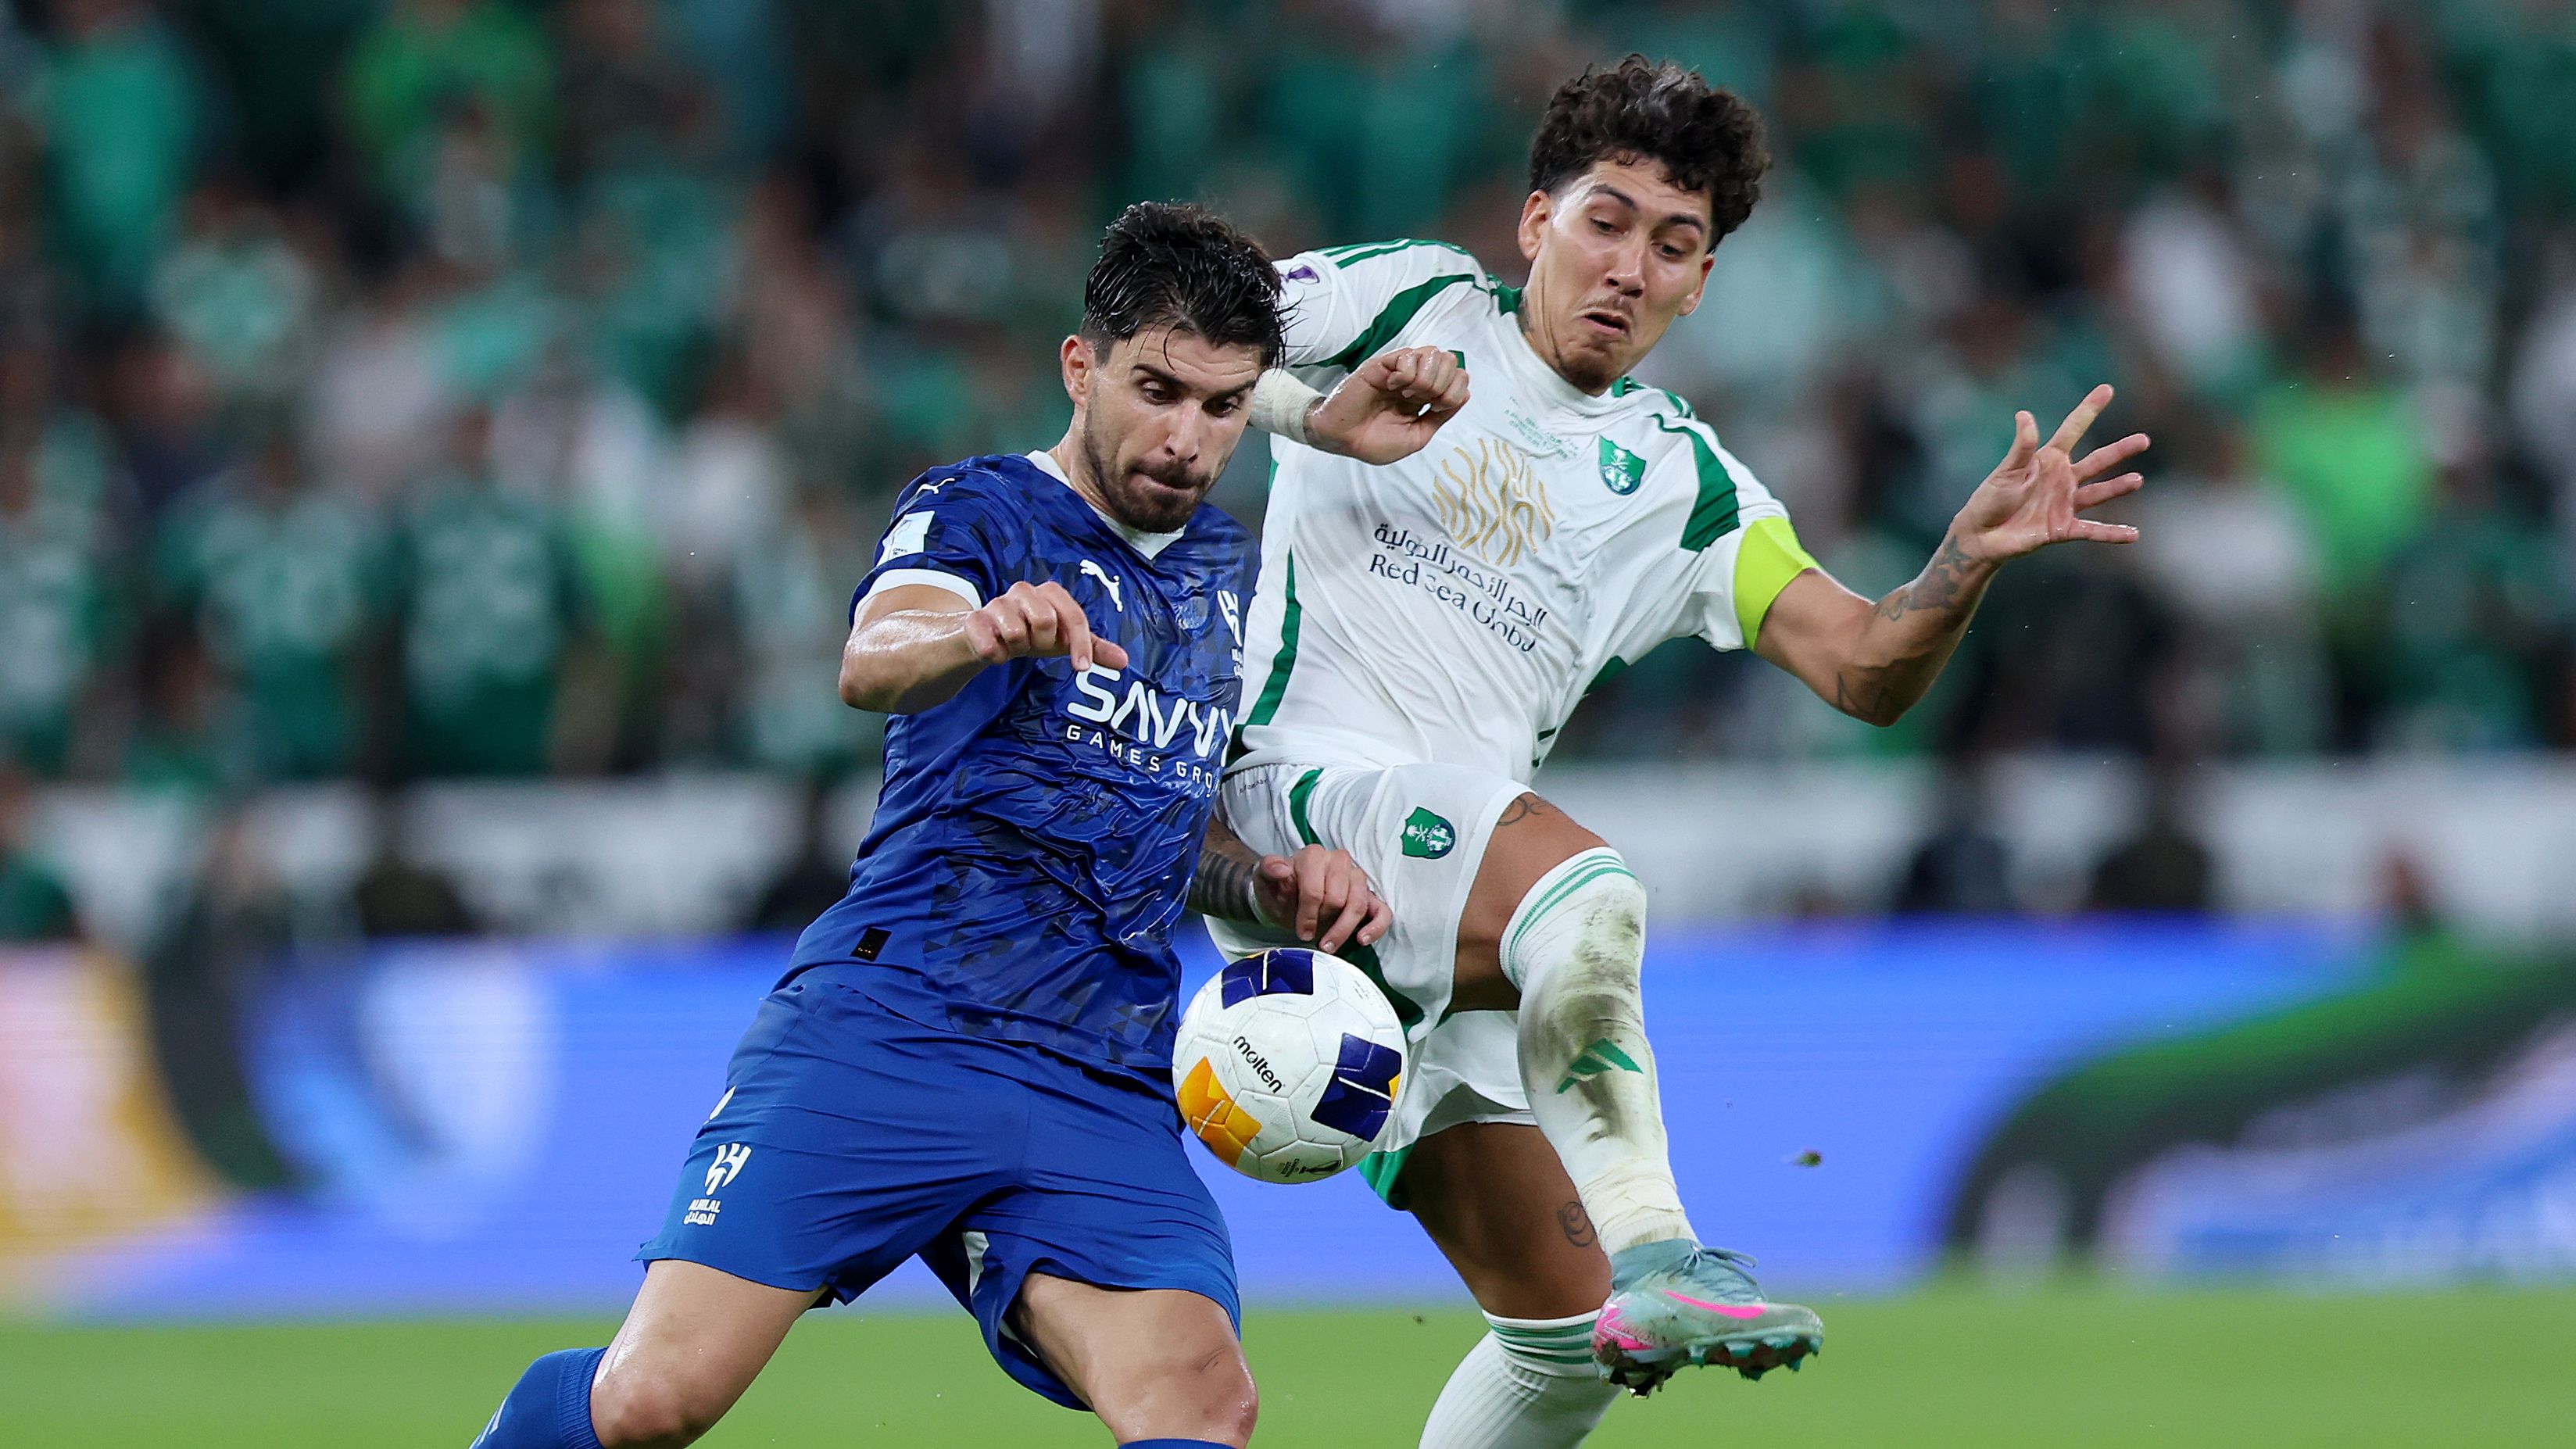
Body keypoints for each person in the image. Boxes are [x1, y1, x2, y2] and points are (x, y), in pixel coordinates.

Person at [1212, 54, 2152, 1440]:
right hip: (1299, 802)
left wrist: (1960, 564)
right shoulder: (1407, 299)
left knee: (1560, 1343)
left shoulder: (1683, 479)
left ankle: (1628, 1280)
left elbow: (1861, 667)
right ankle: (1664, 1247)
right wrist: (1310, 411)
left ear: (1702, 283)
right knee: (1587, 891)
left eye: (1674, 245)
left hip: (1453, 905)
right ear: (1534, 220)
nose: (1629, 269)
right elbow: (1171, 338)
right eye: (1605, 220)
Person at [468, 202, 1448, 1449]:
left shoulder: (1227, 577)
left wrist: (1270, 884)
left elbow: (1163, 818)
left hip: (1099, 1066)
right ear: (1079, 367)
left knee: (1200, 1401)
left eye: (1221, 406)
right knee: (651, 1402)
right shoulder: (978, 511)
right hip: (897, 1023)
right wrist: (976, 632)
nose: (1187, 436)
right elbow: (874, 657)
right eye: (1157, 389)